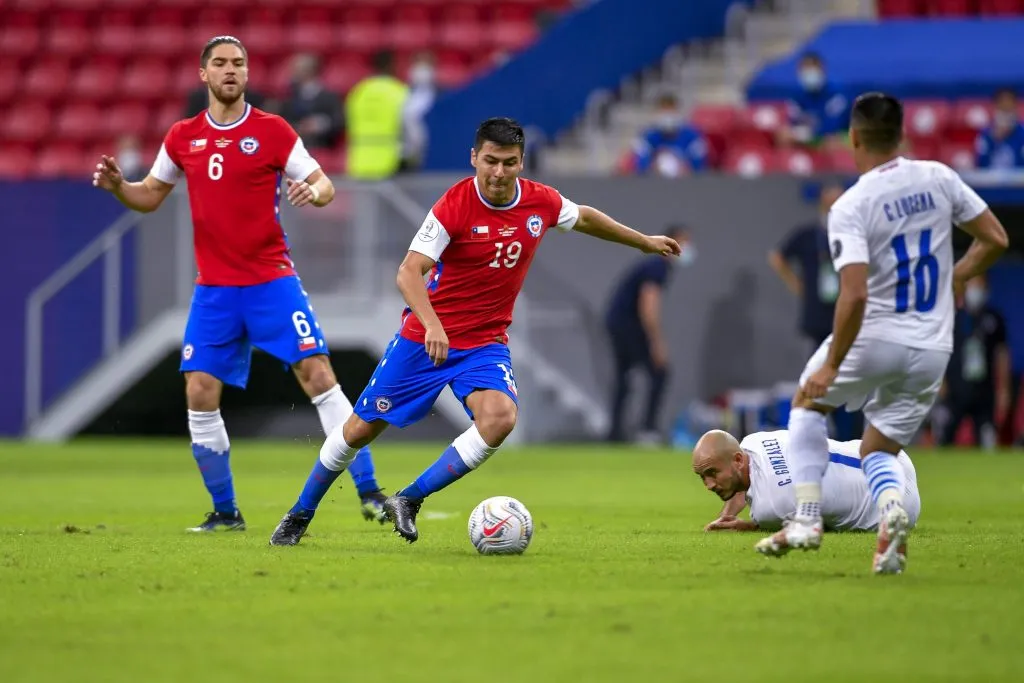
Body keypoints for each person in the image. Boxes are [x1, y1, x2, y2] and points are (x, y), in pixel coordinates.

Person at [269, 117, 682, 546]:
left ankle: (408, 499)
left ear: (522, 162)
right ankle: (300, 513)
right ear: (474, 158)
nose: (499, 172)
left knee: (500, 419)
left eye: (509, 162)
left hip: (484, 343)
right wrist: (433, 325)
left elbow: (584, 218)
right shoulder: (455, 204)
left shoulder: (540, 201)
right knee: (358, 430)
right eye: (490, 161)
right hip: (424, 340)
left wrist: (643, 241)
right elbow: (409, 272)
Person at [91, 36, 387, 532]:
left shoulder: (272, 130)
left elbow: (324, 183)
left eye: (239, 63)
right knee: (200, 389)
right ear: (203, 74)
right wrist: (120, 187)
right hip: (215, 290)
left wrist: (312, 192)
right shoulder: (182, 136)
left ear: (247, 74)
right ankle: (226, 512)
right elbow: (150, 195)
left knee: (317, 374)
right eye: (221, 63)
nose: (230, 70)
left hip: (272, 281)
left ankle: (370, 490)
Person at [758, 92, 1008, 574]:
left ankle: (806, 518)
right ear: (902, 134)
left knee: (808, 403)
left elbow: (853, 295)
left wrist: (833, 364)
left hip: (878, 333)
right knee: (877, 448)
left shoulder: (852, 205)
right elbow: (995, 238)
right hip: (932, 347)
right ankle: (891, 510)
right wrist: (956, 276)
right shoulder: (939, 177)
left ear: (854, 137)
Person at [768, 183, 862, 441]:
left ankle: (850, 436)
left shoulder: (855, 234)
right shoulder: (809, 235)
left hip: (850, 319)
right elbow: (777, 257)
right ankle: (821, 434)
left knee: (851, 380)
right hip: (818, 321)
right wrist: (798, 286)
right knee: (817, 377)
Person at [693, 429, 920, 535]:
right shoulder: (754, 441)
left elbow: (780, 518)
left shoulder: (769, 509)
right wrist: (726, 515)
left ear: (738, 460)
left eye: (713, 473)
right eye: (703, 477)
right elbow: (747, 482)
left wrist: (744, 526)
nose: (709, 485)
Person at [604, 224, 693, 444]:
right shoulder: (658, 266)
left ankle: (615, 433)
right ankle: (647, 430)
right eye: (684, 242)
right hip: (628, 326)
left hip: (618, 323)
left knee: (624, 379)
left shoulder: (654, 265)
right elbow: (648, 306)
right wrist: (656, 343)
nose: (687, 248)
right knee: (659, 372)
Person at [937, 274, 1011, 448]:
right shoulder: (953, 317)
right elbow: (940, 350)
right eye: (972, 285)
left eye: (980, 285)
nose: (975, 290)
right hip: (955, 389)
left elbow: (1002, 355)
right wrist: (941, 381)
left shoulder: (994, 318)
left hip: (984, 389)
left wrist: (1004, 389)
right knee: (945, 438)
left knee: (987, 439)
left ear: (986, 289)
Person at [345, 49, 408, 180]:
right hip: (391, 162)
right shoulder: (399, 91)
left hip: (359, 162)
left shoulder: (359, 92)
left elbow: (349, 123)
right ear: (391, 65)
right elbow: (408, 126)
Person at [779, 52, 850, 150]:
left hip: (836, 137)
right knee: (784, 136)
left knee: (832, 141)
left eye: (812, 69)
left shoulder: (836, 94)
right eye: (805, 70)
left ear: (822, 70)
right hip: (809, 136)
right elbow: (793, 120)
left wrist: (810, 132)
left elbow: (832, 126)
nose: (808, 74)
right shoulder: (796, 95)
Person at [632, 94, 708, 177]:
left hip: (684, 180)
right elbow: (641, 166)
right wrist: (652, 167)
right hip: (656, 180)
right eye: (664, 110)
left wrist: (686, 168)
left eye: (671, 110)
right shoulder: (648, 136)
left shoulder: (692, 136)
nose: (668, 115)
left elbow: (699, 167)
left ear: (678, 111)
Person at [280, 53, 344, 150]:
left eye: (297, 69)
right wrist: (299, 126)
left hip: (323, 147)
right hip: (296, 147)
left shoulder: (330, 97)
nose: (292, 73)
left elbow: (339, 121)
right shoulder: (289, 95)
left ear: (310, 71)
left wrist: (320, 124)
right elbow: (283, 120)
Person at [974, 89, 1024, 171]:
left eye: (1009, 109)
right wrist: (994, 139)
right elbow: (980, 165)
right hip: (990, 178)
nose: (1006, 115)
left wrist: (1011, 134)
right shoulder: (986, 134)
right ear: (995, 108)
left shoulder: (1022, 133)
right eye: (1003, 109)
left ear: (1015, 109)